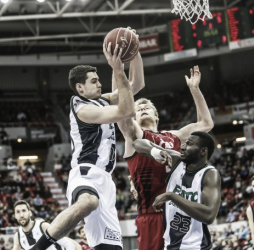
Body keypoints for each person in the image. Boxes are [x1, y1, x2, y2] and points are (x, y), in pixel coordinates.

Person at [34, 30, 145, 250]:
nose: (99, 84)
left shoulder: (101, 100)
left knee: (110, 248)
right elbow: (126, 109)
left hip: (105, 179)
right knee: (88, 202)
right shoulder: (83, 109)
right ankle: (38, 248)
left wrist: (135, 50)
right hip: (85, 172)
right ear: (80, 88)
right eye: (94, 81)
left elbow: (136, 85)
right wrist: (117, 70)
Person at [115, 65, 213, 249]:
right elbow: (124, 115)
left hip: (179, 212)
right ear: (133, 116)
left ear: (156, 116)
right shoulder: (134, 134)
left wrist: (195, 90)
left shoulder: (174, 136)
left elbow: (206, 124)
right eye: (138, 108)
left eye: (147, 107)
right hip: (152, 213)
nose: (143, 108)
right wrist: (121, 74)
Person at [133, 131, 221, 249]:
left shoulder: (209, 174)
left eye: (189, 144)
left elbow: (209, 215)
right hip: (170, 245)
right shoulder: (176, 160)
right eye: (184, 143)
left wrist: (171, 196)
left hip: (196, 246)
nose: (183, 146)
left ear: (203, 151)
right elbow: (138, 143)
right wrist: (156, 152)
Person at [12, 200, 81, 250]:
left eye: (24, 211)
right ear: (15, 216)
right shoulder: (17, 236)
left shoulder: (43, 226)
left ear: (30, 213)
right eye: (18, 212)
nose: (21, 215)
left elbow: (69, 245)